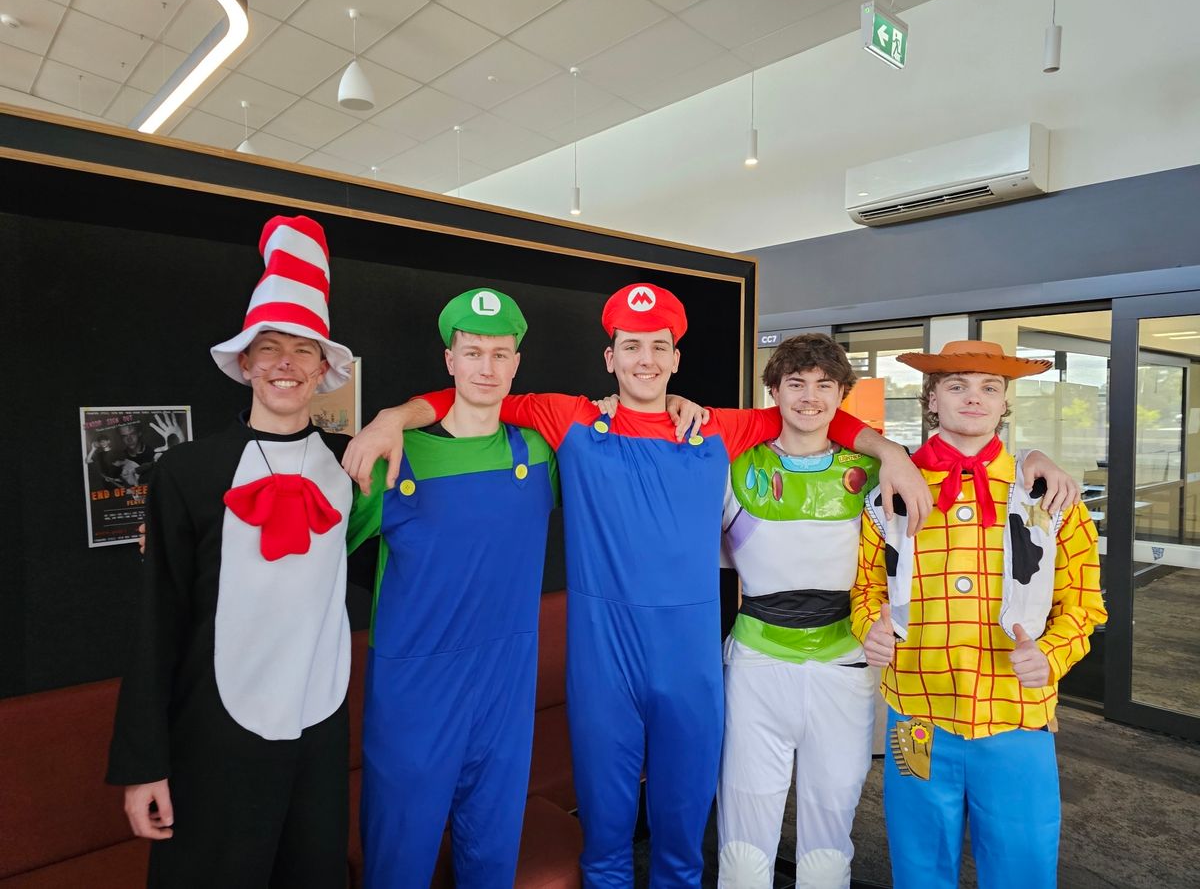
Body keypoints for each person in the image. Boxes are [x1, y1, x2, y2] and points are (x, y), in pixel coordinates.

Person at [344, 283, 931, 887]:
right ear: (610, 357)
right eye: (631, 346)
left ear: (676, 357)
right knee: (605, 840)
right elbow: (475, 394)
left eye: (658, 346)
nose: (645, 359)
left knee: (682, 839)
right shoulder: (569, 419)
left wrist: (891, 452)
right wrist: (394, 417)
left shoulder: (718, 428)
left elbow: (812, 412)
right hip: (605, 662)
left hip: (689, 663)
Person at [107, 214, 359, 889]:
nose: (285, 363)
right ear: (245, 363)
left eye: (302, 349)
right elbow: (158, 619)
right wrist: (143, 762)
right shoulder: (186, 471)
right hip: (213, 734)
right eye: (269, 348)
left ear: (324, 369)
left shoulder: (354, 467)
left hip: (318, 729)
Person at [852, 340, 1106, 889]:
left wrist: (1051, 655)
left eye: (989, 387)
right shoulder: (887, 496)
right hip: (916, 714)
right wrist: (869, 626)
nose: (974, 398)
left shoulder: (1051, 497)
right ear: (931, 399)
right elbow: (866, 587)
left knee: (1022, 869)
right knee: (919, 868)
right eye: (957, 385)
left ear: (1004, 402)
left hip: (1017, 715)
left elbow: (1083, 604)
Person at [345, 289, 558, 887]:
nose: (486, 368)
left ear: (516, 363)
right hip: (416, 686)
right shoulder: (392, 455)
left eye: (499, 354)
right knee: (400, 853)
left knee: (493, 849)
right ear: (450, 360)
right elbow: (312, 552)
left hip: (506, 680)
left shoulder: (540, 451)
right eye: (472, 353)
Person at [716, 334, 882, 889]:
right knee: (743, 837)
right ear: (774, 391)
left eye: (824, 385)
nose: (810, 398)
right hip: (756, 665)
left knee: (831, 834)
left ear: (841, 394)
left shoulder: (876, 472)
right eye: (796, 384)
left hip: (845, 664)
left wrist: (1033, 461)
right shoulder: (735, 467)